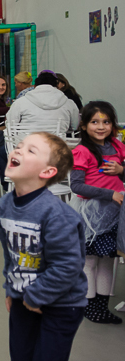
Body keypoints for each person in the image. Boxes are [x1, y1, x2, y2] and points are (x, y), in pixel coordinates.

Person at [0, 132, 91, 361]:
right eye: (19, 145)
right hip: (24, 299)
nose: (18, 149)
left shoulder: (56, 214)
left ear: (47, 172)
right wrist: (12, 290)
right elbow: (12, 255)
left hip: (62, 304)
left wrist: (35, 295)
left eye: (30, 149)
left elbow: (68, 266)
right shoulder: (3, 206)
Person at [70, 102, 124, 324]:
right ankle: (89, 306)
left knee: (106, 261)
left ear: (113, 125)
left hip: (115, 214)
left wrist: (122, 170)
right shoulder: (81, 151)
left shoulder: (118, 147)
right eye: (95, 122)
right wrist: (108, 193)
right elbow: (77, 186)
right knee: (89, 261)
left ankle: (102, 306)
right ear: (83, 125)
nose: (101, 126)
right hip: (91, 215)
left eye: (106, 122)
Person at [6, 72, 80, 135]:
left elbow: (10, 125)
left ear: (35, 86)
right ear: (57, 86)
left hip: (26, 146)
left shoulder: (21, 102)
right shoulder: (69, 103)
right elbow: (74, 126)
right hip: (56, 147)